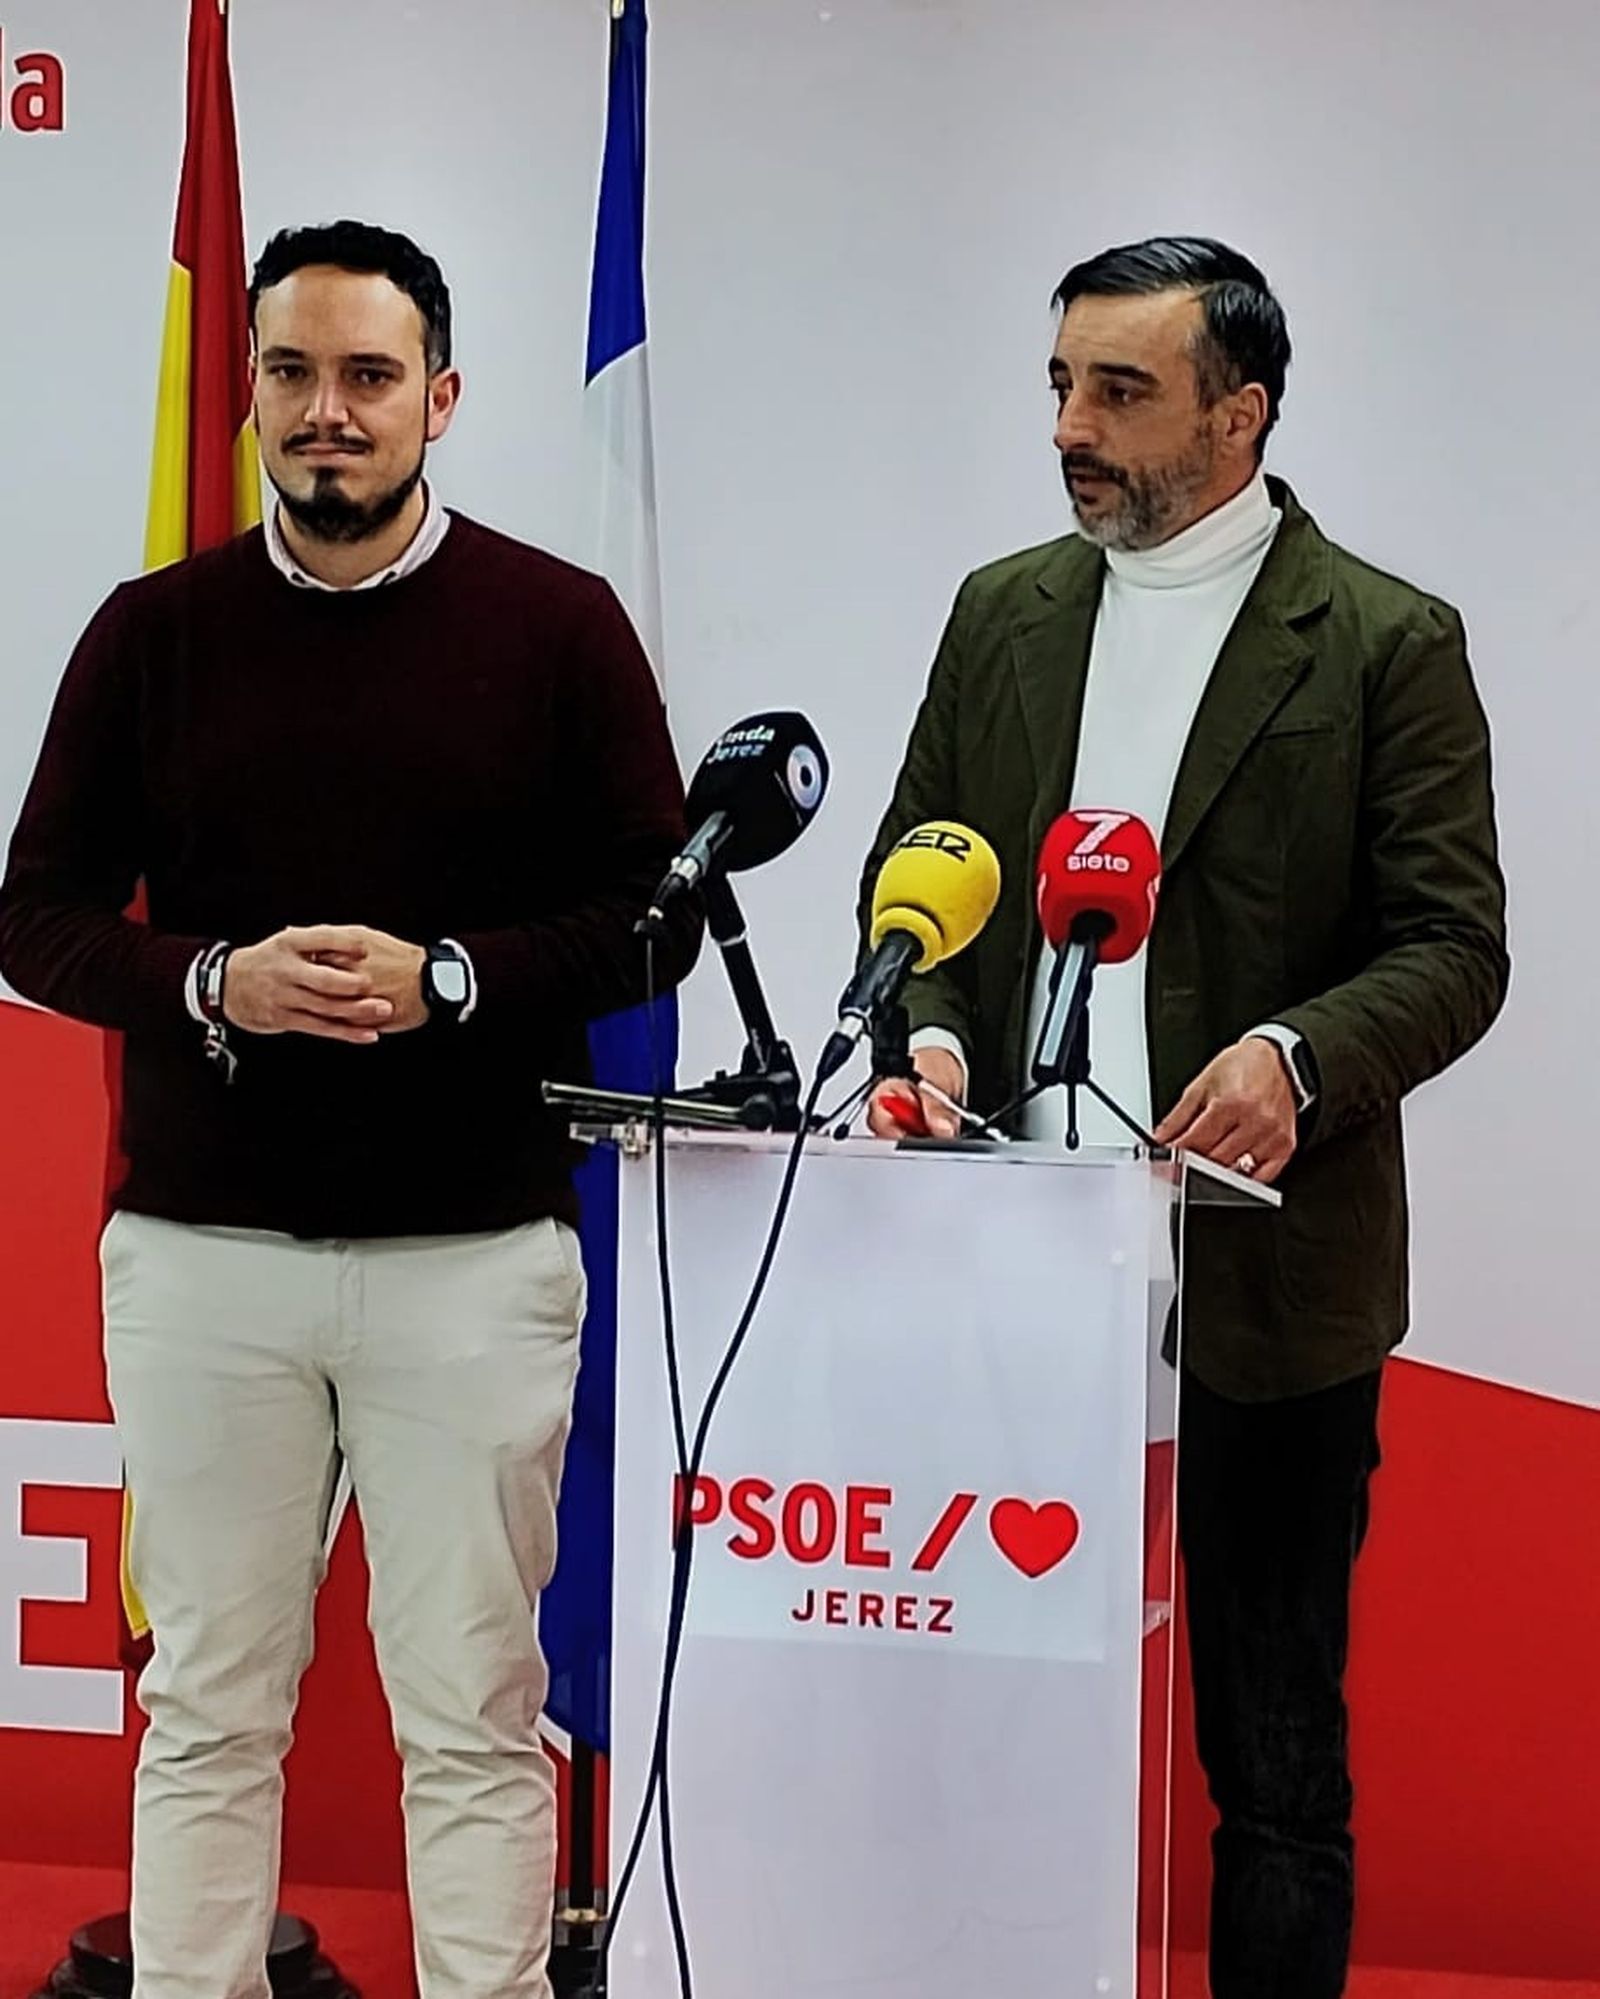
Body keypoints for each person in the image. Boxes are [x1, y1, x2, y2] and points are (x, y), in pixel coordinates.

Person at [0, 219, 699, 1999]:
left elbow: (658, 911)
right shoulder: (153, 632)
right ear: (249, 395)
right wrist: (206, 981)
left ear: (441, 401)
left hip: (474, 1261)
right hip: (202, 1257)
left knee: (472, 1709)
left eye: (370, 378)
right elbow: (37, 913)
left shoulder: (560, 625)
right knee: (208, 1705)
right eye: (295, 374)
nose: (329, 412)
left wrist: (451, 978)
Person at [860, 236, 1508, 1998]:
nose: (1073, 427)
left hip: (1266, 1297)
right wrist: (924, 1043)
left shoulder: (1382, 641)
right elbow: (922, 876)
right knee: (988, 1715)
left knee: (1273, 1758)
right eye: (1062, 385)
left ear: (1242, 413)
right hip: (1010, 1260)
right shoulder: (1004, 609)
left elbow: (1455, 948)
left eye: (1122, 394)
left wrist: (1297, 1059)